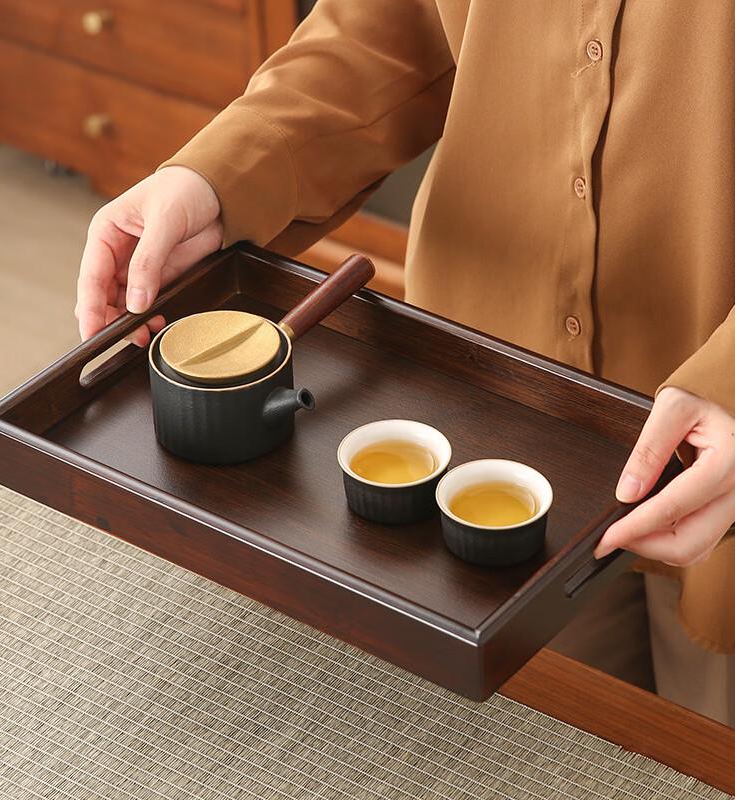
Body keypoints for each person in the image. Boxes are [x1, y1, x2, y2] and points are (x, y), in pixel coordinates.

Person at [76, 1, 735, 724]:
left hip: (720, 450)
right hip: (496, 415)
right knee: (545, 745)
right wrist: (218, 175)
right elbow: (392, 26)